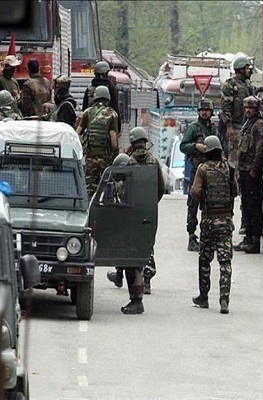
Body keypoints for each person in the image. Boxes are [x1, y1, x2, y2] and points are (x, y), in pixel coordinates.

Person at [107, 127, 165, 305]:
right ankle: (146, 281)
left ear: (132, 143)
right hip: (148, 211)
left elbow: (121, 188)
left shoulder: (128, 162)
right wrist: (151, 203)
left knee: (127, 247)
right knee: (147, 244)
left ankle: (124, 278)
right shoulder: (154, 162)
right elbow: (161, 188)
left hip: (131, 211)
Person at [190, 135, 238, 314]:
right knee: (225, 261)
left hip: (209, 221)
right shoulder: (229, 168)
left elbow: (195, 193)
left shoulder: (202, 169)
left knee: (205, 260)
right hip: (225, 221)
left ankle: (203, 297)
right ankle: (224, 299)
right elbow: (236, 191)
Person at [220, 55, 255, 234]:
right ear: (240, 68)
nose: (250, 70)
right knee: (232, 175)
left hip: (247, 131)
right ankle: (228, 216)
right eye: (247, 67)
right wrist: (228, 126)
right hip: (234, 131)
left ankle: (245, 220)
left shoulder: (249, 86)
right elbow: (225, 107)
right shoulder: (230, 85)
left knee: (244, 178)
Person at [179, 98, 218, 252]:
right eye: (202, 110)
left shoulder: (214, 129)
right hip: (197, 170)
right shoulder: (193, 128)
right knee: (193, 202)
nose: (204, 113)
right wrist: (195, 146)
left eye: (207, 110)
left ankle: (209, 235)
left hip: (212, 170)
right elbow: (183, 146)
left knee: (212, 202)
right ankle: (191, 235)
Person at [234, 95, 263, 254]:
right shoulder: (247, 124)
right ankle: (248, 237)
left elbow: (260, 150)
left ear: (257, 109)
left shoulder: (260, 125)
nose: (248, 110)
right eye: (246, 107)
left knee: (254, 205)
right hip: (244, 169)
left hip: (252, 172)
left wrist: (254, 170)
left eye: (251, 108)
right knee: (246, 205)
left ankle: (255, 240)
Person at [76, 86, 119, 198]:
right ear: (108, 98)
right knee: (106, 188)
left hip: (90, 158)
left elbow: (78, 133)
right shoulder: (112, 114)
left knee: (90, 189)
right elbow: (113, 139)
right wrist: (115, 155)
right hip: (105, 158)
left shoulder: (87, 113)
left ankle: (90, 206)